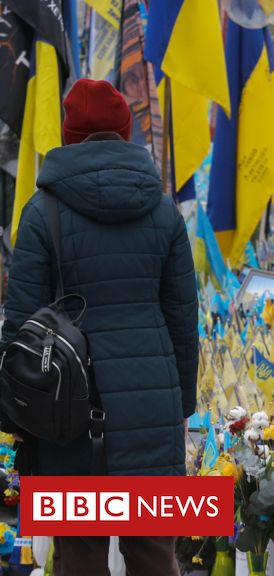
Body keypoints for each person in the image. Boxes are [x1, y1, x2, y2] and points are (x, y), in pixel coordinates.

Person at [0, 79, 197, 575]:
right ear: (126, 133)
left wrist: (15, 419)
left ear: (67, 135)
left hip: (68, 411)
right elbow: (183, 322)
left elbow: (19, 329)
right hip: (151, 407)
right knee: (154, 555)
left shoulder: (42, 213)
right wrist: (181, 408)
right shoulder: (163, 212)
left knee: (79, 557)